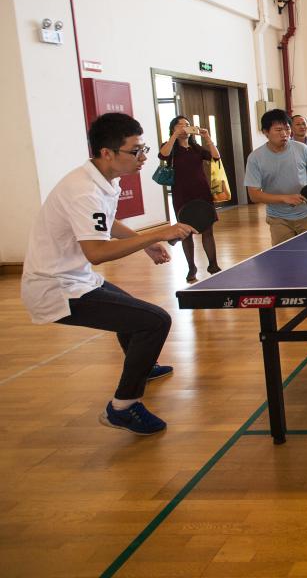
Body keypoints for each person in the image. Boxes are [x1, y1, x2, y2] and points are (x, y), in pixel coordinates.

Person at [21, 113, 194, 435]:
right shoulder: (84, 190)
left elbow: (105, 222)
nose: (143, 157)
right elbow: (97, 253)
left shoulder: (102, 179)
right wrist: (157, 234)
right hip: (56, 289)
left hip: (77, 278)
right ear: (107, 153)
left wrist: (143, 243)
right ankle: (123, 407)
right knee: (155, 321)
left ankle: (142, 364)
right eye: (135, 151)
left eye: (143, 149)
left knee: (133, 314)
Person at [246, 109, 307, 245]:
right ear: (265, 132)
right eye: (278, 130)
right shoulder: (255, 158)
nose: (284, 134)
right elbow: (254, 195)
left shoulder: (302, 148)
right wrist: (284, 198)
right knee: (286, 256)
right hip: (279, 218)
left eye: (287, 129)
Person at [158, 116, 221, 283]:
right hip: (182, 194)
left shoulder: (196, 148)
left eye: (186, 124)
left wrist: (207, 137)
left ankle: (213, 265)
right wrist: (174, 136)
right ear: (173, 129)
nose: (184, 127)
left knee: (207, 230)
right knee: (185, 233)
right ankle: (191, 267)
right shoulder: (170, 147)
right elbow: (163, 155)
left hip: (202, 192)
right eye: (179, 125)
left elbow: (216, 157)